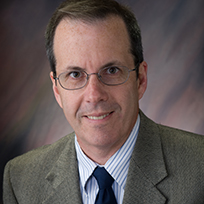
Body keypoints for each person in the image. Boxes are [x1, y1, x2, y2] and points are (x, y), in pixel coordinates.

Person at [3, 0, 204, 203]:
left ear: (140, 79)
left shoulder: (199, 168)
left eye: (112, 70)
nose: (94, 95)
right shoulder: (20, 180)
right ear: (57, 90)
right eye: (75, 74)